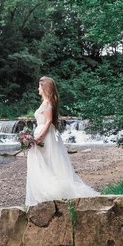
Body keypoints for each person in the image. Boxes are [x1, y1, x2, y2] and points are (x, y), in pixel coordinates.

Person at [25, 76, 99, 206]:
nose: (38, 88)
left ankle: (51, 191)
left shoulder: (47, 103)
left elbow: (48, 122)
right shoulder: (46, 102)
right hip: (45, 134)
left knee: (45, 162)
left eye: (39, 86)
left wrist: (38, 138)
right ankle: (45, 191)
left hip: (46, 136)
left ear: (44, 87)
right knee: (45, 162)